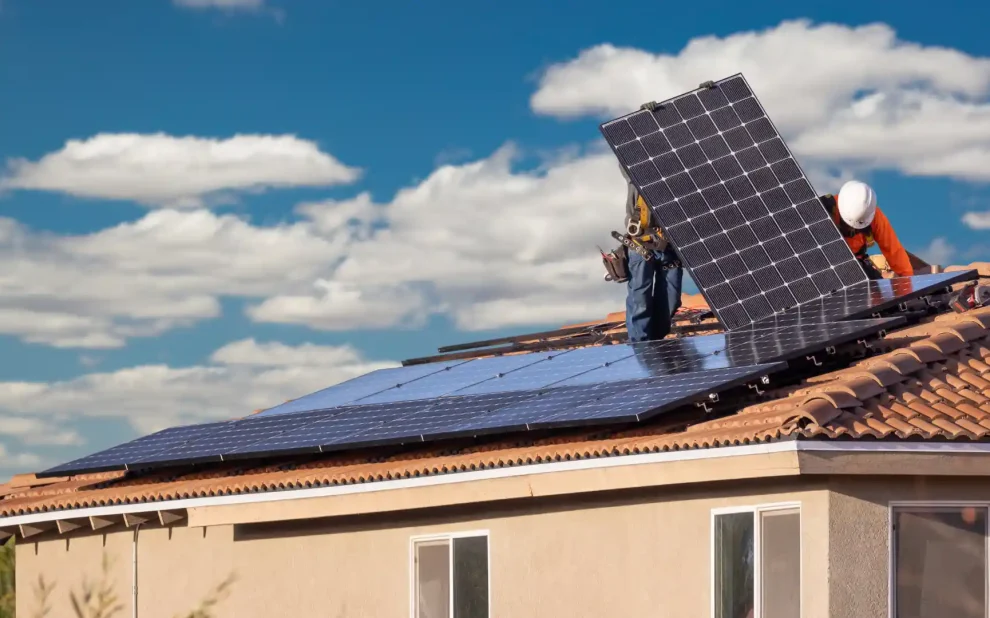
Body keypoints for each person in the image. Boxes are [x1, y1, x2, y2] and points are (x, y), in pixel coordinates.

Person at [620, 162, 684, 342]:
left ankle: (656, 343)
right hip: (641, 245)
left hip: (669, 248)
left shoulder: (678, 175)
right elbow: (625, 161)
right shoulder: (636, 173)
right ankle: (641, 346)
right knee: (640, 301)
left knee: (671, 300)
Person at [820, 180, 913, 280]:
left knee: (875, 287)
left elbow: (893, 250)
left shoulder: (874, 217)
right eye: (847, 224)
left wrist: (908, 281)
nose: (852, 228)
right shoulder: (821, 210)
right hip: (822, 262)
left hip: (856, 264)